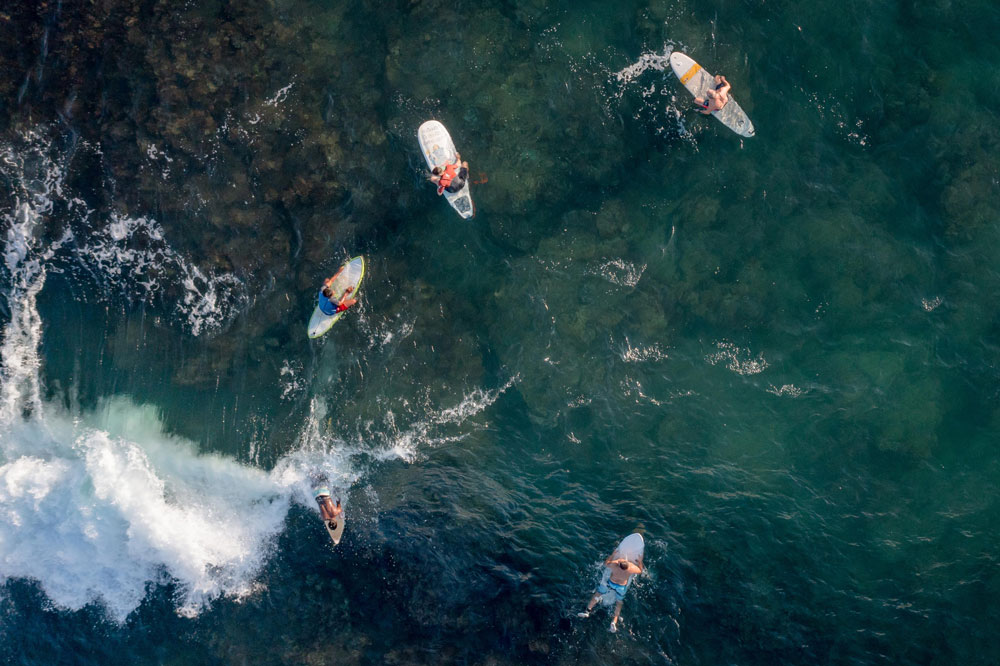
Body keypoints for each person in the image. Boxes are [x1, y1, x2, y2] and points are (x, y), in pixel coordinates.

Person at [578, 553, 644, 632]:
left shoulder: (615, 566)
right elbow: (640, 570)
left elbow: (606, 563)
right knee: (619, 602)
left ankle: (587, 611)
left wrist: (614, 556)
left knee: (597, 594)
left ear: (619, 565)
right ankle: (614, 621)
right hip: (621, 588)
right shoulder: (631, 569)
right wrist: (640, 561)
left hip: (611, 583)